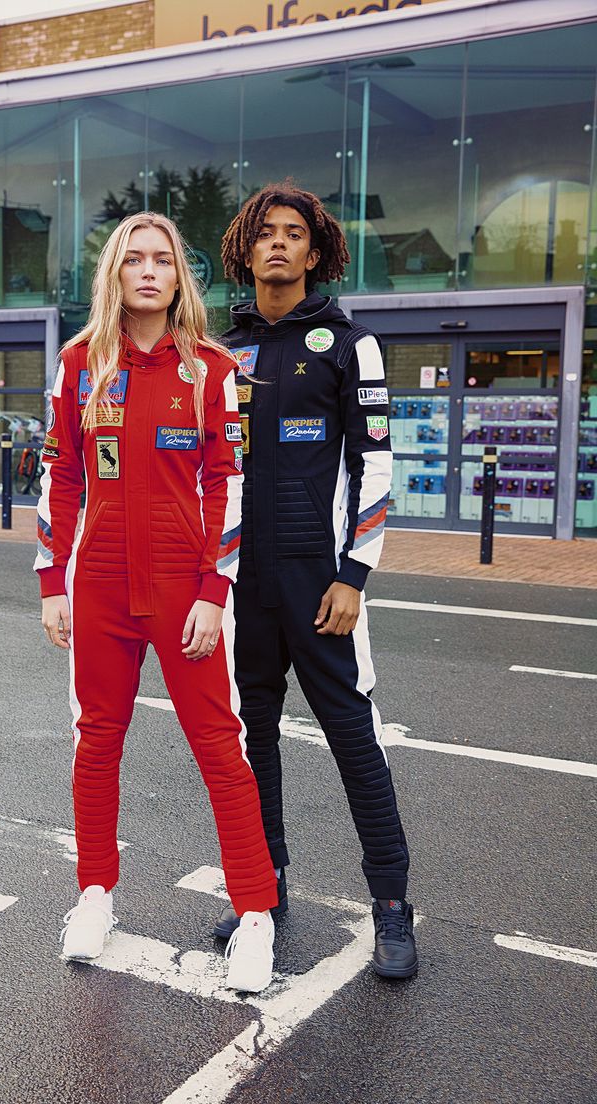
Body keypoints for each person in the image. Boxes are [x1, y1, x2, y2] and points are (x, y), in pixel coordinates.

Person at [34, 212, 277, 992]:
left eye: (162, 260)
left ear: (180, 277)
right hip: (97, 581)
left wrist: (215, 591)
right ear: (114, 273)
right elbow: (61, 479)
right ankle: (95, 895)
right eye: (132, 258)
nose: (147, 271)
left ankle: (256, 915)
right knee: (96, 742)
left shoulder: (211, 368)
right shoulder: (79, 365)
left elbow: (228, 485)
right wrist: (50, 581)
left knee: (219, 744)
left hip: (185, 587)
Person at [214, 182, 418, 978]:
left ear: (315, 249)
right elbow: (208, 470)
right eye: (264, 232)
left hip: (322, 583)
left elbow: (377, 465)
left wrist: (354, 575)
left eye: (293, 233)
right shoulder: (219, 352)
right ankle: (263, 895)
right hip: (244, 587)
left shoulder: (349, 344)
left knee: (353, 740)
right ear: (245, 247)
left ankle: (394, 910)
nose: (277, 244)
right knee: (249, 740)